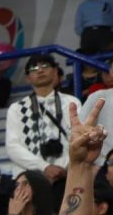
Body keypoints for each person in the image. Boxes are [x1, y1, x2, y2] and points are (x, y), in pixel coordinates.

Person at [5, 54, 81, 185]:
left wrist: (62, 168)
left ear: (55, 72)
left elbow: (79, 138)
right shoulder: (17, 108)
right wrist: (44, 167)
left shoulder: (71, 102)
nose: (40, 70)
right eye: (34, 68)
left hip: (68, 173)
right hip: (31, 178)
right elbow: (12, 146)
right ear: (27, 78)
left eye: (45, 66)